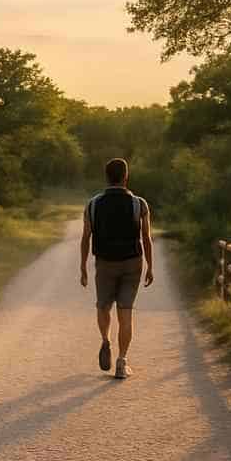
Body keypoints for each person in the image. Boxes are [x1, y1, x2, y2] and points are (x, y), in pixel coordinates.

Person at [80, 158, 153, 379]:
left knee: (103, 306)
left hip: (104, 263)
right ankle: (122, 362)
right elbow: (146, 238)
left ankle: (105, 340)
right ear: (125, 176)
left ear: (106, 177)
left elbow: (85, 238)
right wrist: (150, 267)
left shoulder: (92, 204)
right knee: (125, 312)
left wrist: (83, 267)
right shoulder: (139, 204)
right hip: (132, 263)